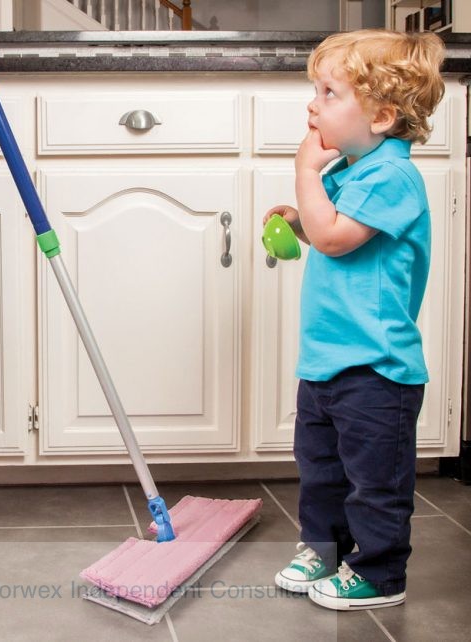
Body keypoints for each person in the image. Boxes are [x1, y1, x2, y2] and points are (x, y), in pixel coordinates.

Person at [269, 29, 445, 610]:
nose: (312, 105)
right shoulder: (353, 171)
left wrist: (304, 173)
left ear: (381, 116)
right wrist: (300, 219)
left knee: (375, 483)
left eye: (328, 92)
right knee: (321, 470)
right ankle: (325, 549)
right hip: (327, 359)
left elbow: (336, 239)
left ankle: (379, 573)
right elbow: (328, 229)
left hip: (376, 367)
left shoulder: (392, 177)